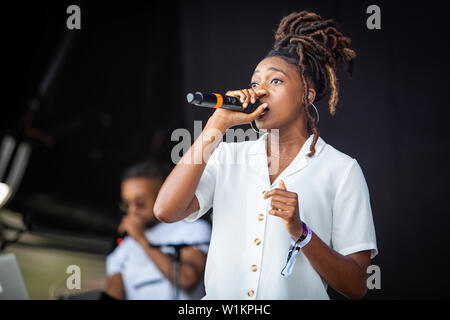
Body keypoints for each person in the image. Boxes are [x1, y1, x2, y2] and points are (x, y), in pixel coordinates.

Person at [154, 11, 378, 300]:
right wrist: (215, 125)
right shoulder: (226, 156)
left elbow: (357, 285)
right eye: (256, 82)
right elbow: (165, 211)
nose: (260, 91)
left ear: (306, 95)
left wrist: (301, 232)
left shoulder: (341, 170)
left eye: (276, 82)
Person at [103, 161, 211, 300]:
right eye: (126, 204)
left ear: (162, 196)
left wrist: (142, 240)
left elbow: (186, 279)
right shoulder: (124, 247)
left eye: (140, 203)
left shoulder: (192, 230)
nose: (132, 210)